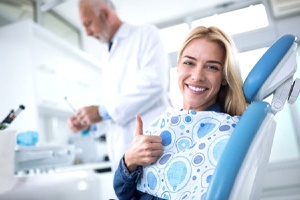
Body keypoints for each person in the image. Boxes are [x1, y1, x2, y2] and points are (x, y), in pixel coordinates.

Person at [113, 26, 247, 199]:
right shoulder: (164, 125)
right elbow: (124, 194)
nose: (197, 76)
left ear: (224, 77)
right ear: (178, 66)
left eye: (212, 67)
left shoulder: (227, 133)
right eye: (189, 63)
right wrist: (129, 161)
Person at [67, 0, 171, 171]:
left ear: (106, 15)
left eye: (88, 23)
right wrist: (89, 121)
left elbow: (154, 83)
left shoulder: (145, 34)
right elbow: (116, 112)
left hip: (152, 152)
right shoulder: (107, 54)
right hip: (124, 160)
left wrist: (100, 112)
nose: (86, 33)